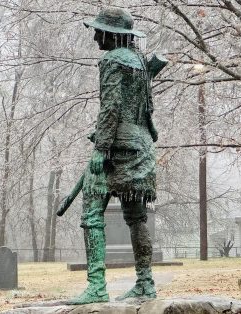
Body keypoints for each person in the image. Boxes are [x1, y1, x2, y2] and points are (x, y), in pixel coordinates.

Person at [57, 7, 167, 304]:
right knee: (136, 216)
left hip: (116, 149)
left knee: (91, 213)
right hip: (142, 146)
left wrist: (101, 148)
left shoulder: (111, 60)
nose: (94, 37)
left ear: (112, 34)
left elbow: (110, 107)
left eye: (98, 31)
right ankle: (145, 283)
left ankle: (96, 286)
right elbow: (144, 110)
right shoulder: (141, 63)